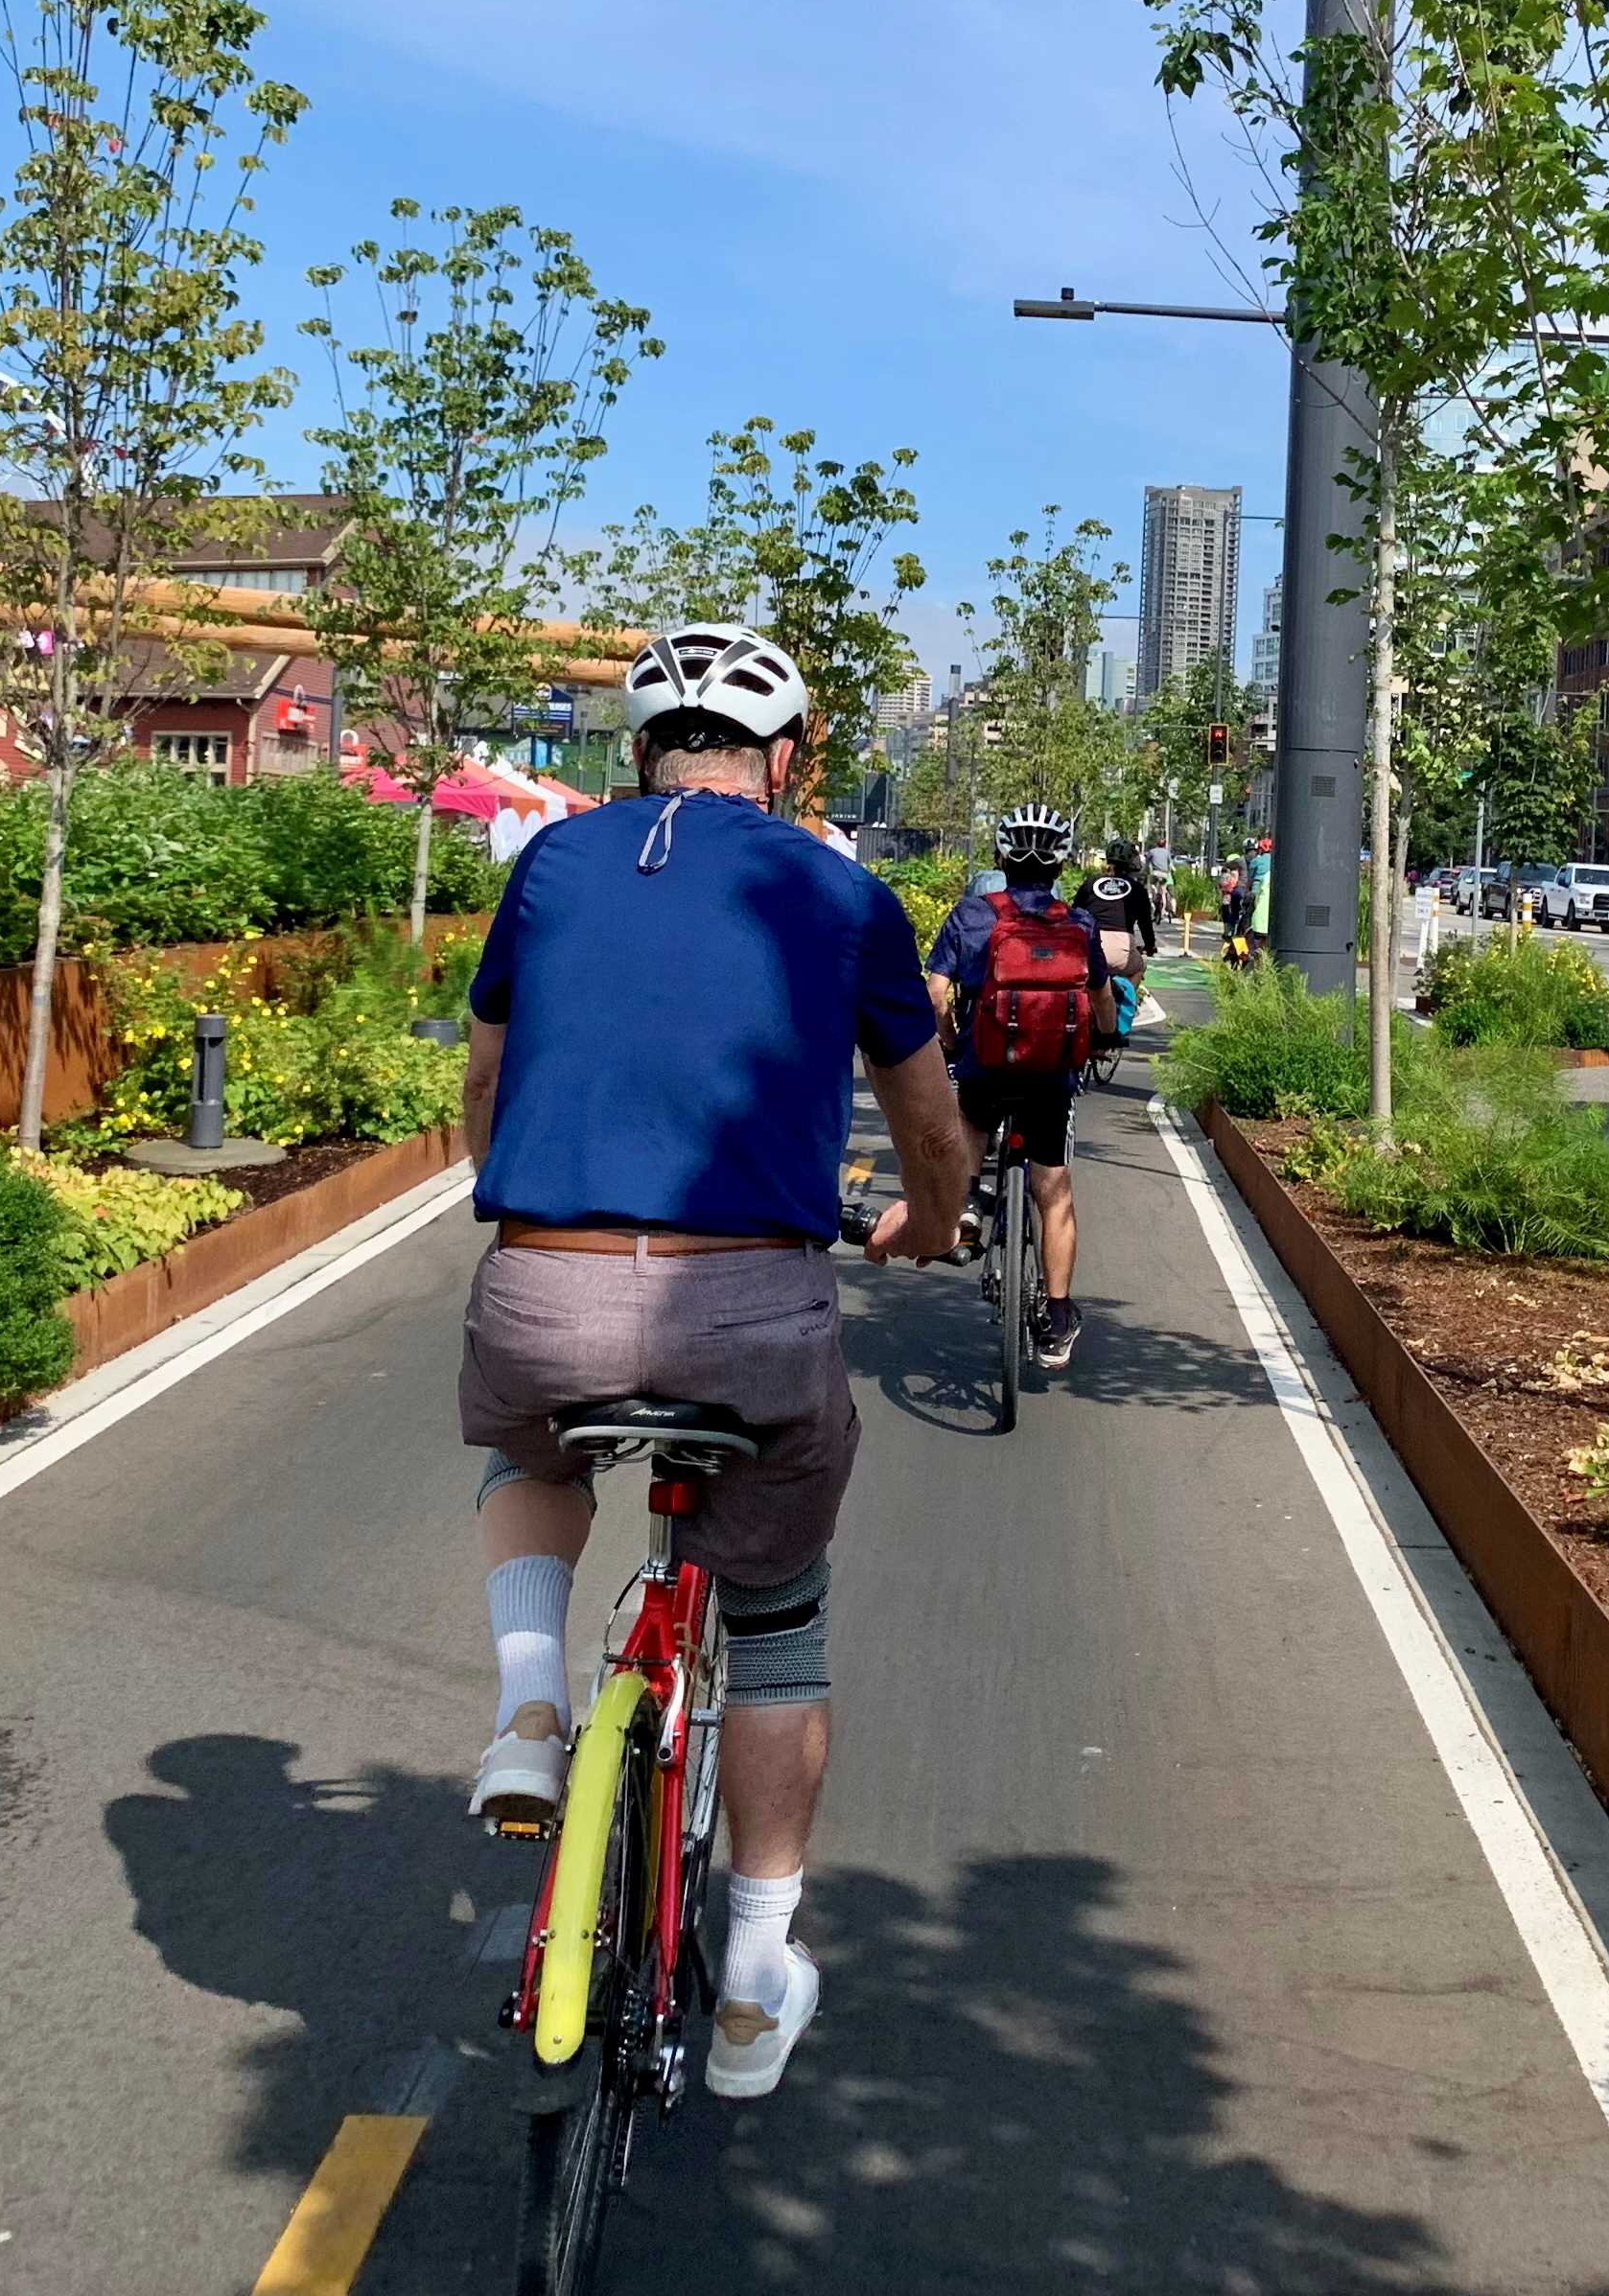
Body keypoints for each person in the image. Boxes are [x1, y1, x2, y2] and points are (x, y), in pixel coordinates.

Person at [458, 621, 973, 2100]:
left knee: (527, 1446)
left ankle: (531, 1710)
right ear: (788, 759)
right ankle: (754, 1963)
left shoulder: (552, 863)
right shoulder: (844, 892)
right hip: (752, 1311)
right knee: (780, 1618)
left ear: (638, 755)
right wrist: (929, 1225)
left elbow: (486, 1076)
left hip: (543, 1287)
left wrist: (523, 1217)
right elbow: (927, 1124)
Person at [922, 804, 1111, 1369]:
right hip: (1051, 1076)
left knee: (972, 1119)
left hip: (985, 1066)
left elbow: (935, 993)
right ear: (1061, 865)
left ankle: (969, 1205)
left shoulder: (971, 916)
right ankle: (1057, 1318)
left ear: (1001, 859)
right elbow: (1101, 997)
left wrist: (951, 1042)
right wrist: (1103, 1037)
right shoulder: (1079, 924)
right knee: (1054, 1194)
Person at [1071, 835, 1157, 1050]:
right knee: (1139, 968)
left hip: (1088, 944)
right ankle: (1120, 1012)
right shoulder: (1137, 889)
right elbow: (1146, 925)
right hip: (1121, 949)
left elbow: (1074, 913)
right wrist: (1150, 946)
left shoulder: (1091, 883)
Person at [1216, 856, 1256, 969]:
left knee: (1234, 930)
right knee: (1240, 930)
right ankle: (1237, 955)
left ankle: (1234, 955)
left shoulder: (1237, 867)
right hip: (1243, 902)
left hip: (1236, 901)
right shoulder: (1251, 865)